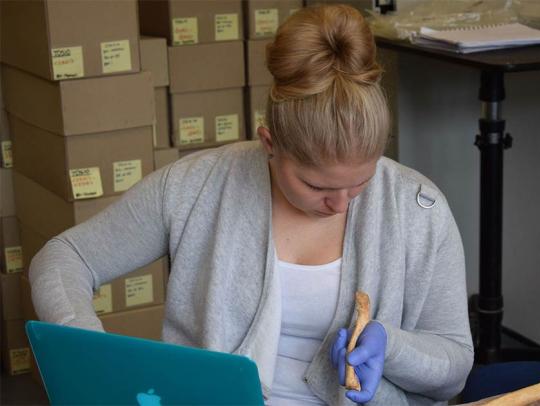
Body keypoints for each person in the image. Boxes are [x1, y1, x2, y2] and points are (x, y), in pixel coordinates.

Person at [29, 4, 473, 405]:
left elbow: (453, 367)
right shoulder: (195, 187)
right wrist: (90, 353)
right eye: (316, 185)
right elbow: (64, 257)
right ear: (270, 144)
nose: (340, 204)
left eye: (360, 182)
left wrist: (391, 347)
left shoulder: (419, 209)